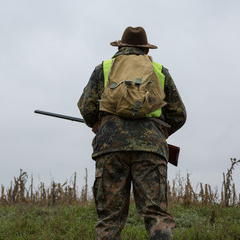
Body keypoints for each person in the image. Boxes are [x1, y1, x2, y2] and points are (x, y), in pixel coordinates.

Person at [78, 26, 186, 240]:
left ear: (121, 47)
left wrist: (98, 124)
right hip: (150, 149)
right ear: (145, 50)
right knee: (156, 216)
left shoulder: (104, 68)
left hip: (111, 147)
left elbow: (86, 107)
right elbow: (179, 114)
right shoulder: (159, 71)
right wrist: (159, 134)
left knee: (109, 219)